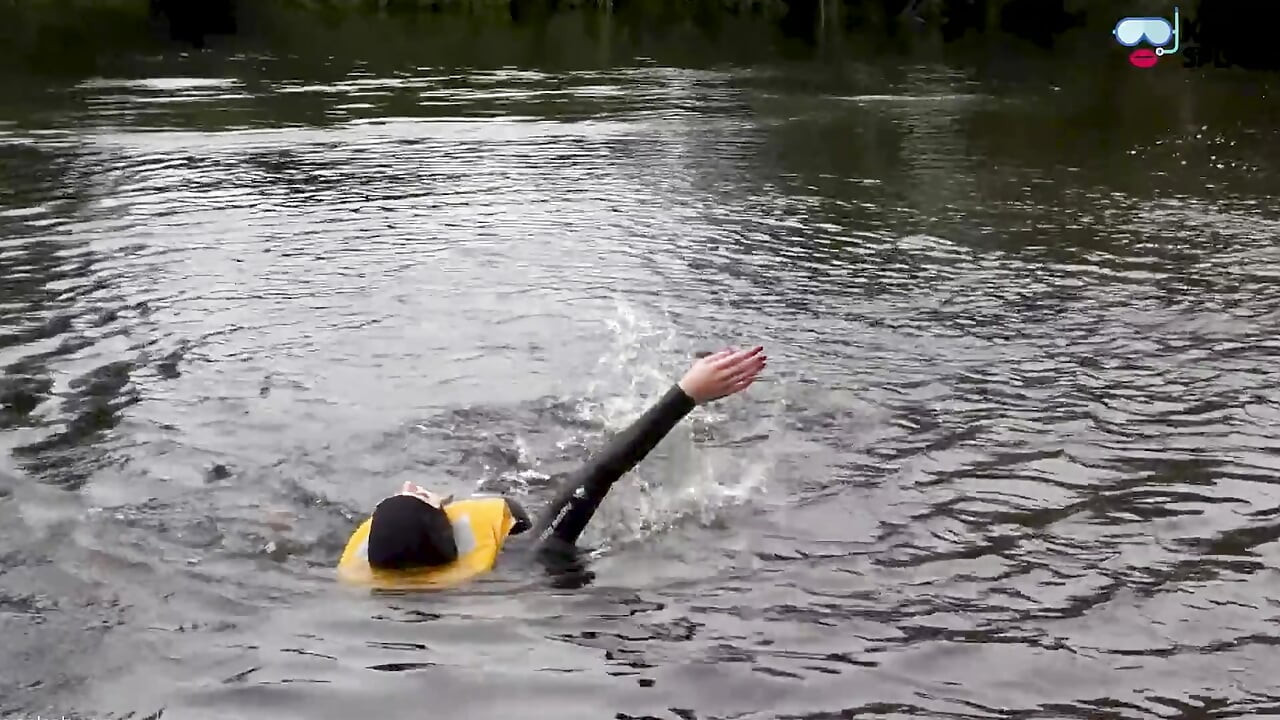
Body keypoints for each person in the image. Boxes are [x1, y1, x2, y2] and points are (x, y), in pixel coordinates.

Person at [337, 345, 767, 589]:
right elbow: (600, 472)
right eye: (416, 496)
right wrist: (687, 393)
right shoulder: (532, 551)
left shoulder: (386, 573)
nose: (412, 482)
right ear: (440, 528)